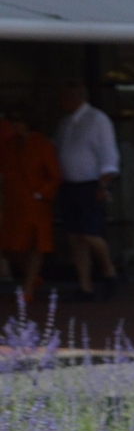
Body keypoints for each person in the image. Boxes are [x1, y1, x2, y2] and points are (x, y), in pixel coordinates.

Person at [52, 82, 119, 297]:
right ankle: (85, 285)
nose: (60, 102)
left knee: (91, 234)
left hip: (90, 184)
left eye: (64, 97)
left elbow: (109, 154)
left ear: (75, 97)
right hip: (69, 185)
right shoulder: (66, 122)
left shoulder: (97, 119)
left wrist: (104, 184)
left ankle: (109, 271)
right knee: (74, 237)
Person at [0, 106, 59, 297]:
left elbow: (54, 176)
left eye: (19, 121)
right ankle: (31, 277)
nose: (15, 125)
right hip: (13, 202)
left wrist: (41, 194)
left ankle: (27, 289)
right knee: (10, 246)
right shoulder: (9, 146)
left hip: (35, 204)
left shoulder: (42, 145)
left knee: (36, 244)